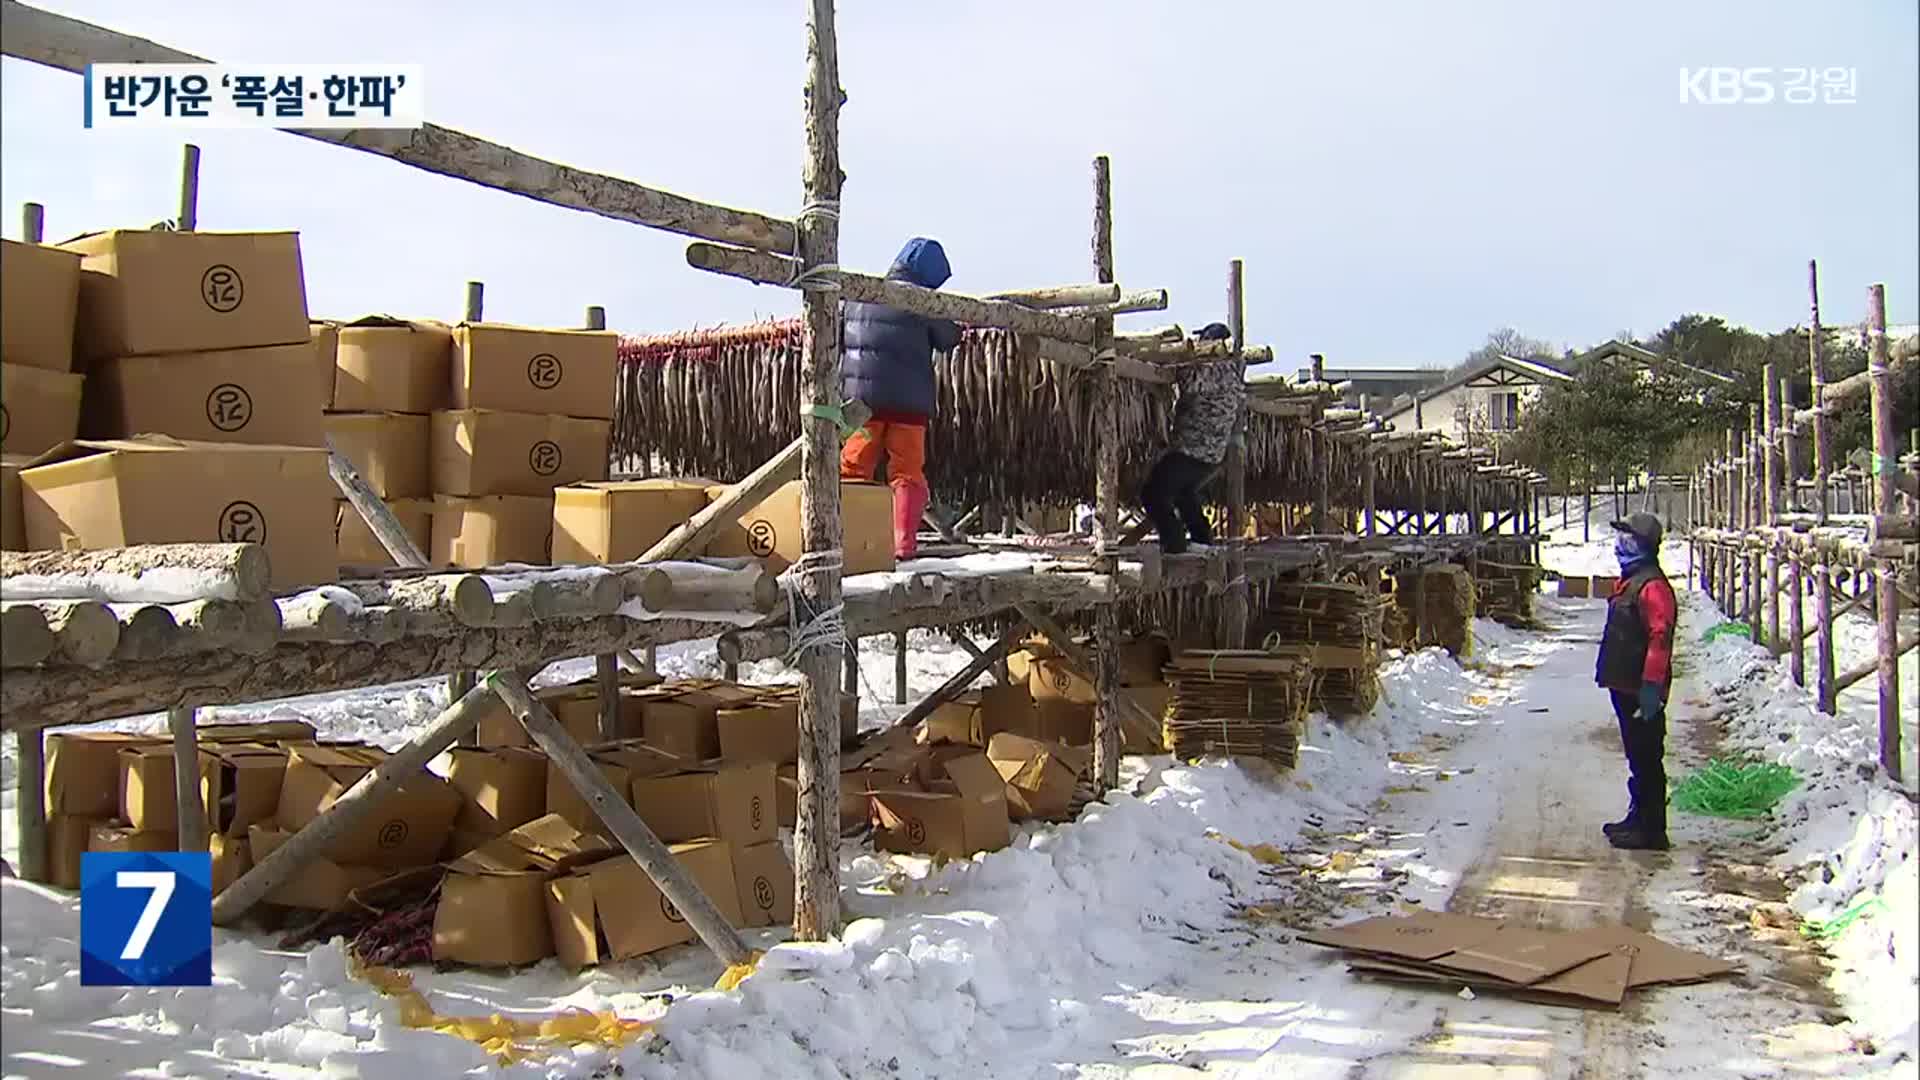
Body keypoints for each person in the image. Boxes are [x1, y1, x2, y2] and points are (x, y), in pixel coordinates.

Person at [840, 237, 960, 561]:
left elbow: (838, 335)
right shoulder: (920, 300)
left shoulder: (860, 295)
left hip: (861, 405)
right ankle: (902, 546)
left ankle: (845, 541)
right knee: (906, 472)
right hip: (908, 407)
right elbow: (951, 337)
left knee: (853, 468)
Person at [1595, 511, 1678, 851]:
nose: (1619, 545)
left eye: (1627, 539)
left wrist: (1651, 687)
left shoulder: (1653, 586)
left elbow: (1661, 637)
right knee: (1637, 757)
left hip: (1642, 689)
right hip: (1626, 686)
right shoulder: (1632, 581)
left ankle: (1653, 830)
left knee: (1647, 758)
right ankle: (1637, 817)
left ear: (1642, 545)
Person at [1140, 322, 1246, 555]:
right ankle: (1202, 540)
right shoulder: (1234, 372)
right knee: (1183, 495)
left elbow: (1187, 381)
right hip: (1209, 455)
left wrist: (1175, 358)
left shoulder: (1215, 368)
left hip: (1193, 450)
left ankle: (1175, 542)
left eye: (1202, 340)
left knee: (1153, 493)